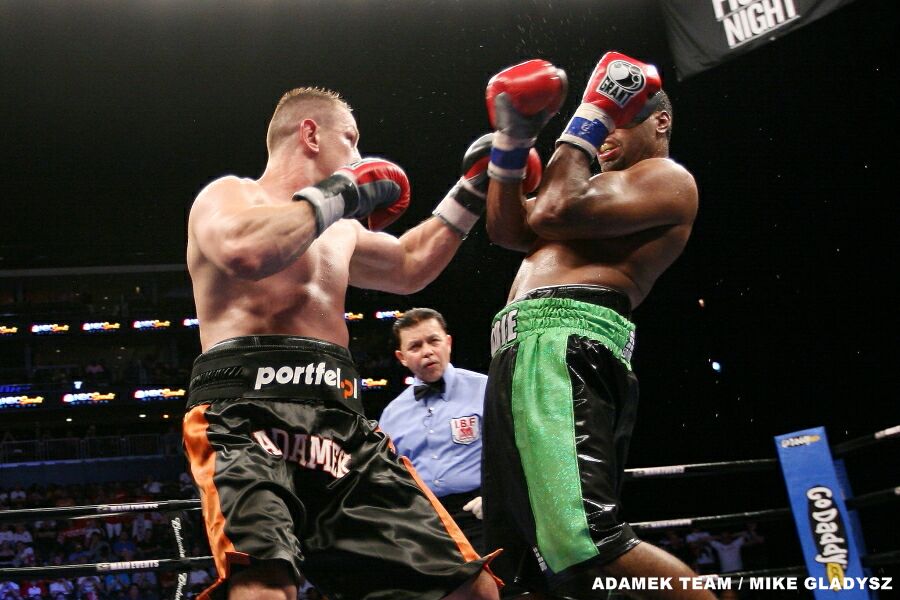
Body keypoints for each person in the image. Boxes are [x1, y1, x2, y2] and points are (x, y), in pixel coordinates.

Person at [183, 87, 515, 600]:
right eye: (351, 139)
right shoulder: (230, 196)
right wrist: (341, 190)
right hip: (244, 415)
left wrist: (471, 189)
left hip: (340, 420)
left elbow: (409, 265)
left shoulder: (339, 229)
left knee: (470, 588)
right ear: (311, 134)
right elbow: (244, 250)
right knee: (266, 587)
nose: (360, 156)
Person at [481, 53, 706, 598]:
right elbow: (508, 229)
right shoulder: (591, 196)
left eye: (619, 122)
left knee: (584, 544)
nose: (605, 136)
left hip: (562, 349)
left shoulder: (666, 180)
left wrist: (593, 111)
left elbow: (550, 211)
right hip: (526, 355)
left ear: (660, 122)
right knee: (520, 567)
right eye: (606, 123)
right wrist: (512, 143)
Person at [379, 308, 487, 551]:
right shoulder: (391, 415)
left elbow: (513, 451)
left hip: (480, 513)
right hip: (424, 524)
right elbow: (389, 478)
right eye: (415, 346)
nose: (427, 351)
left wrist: (498, 497)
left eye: (433, 341)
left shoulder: (485, 389)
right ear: (402, 357)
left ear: (448, 343)